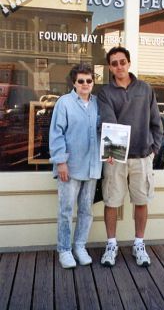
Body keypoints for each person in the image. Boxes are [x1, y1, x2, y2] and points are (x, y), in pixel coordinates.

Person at [98, 46, 162, 267]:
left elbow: (156, 122)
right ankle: (111, 244)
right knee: (111, 201)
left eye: (122, 62)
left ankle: (139, 244)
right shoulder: (105, 92)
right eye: (114, 63)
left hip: (142, 156)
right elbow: (108, 122)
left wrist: (154, 150)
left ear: (129, 63)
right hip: (115, 158)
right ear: (110, 67)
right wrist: (113, 151)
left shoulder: (145, 89)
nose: (119, 66)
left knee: (141, 201)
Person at [49, 64, 102, 269]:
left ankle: (80, 246)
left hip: (92, 166)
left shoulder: (98, 103)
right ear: (74, 82)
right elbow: (56, 133)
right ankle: (64, 249)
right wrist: (61, 162)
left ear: (93, 82)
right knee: (66, 210)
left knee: (86, 210)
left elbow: (105, 131)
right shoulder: (64, 103)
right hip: (69, 167)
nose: (85, 84)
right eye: (81, 81)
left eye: (89, 81)